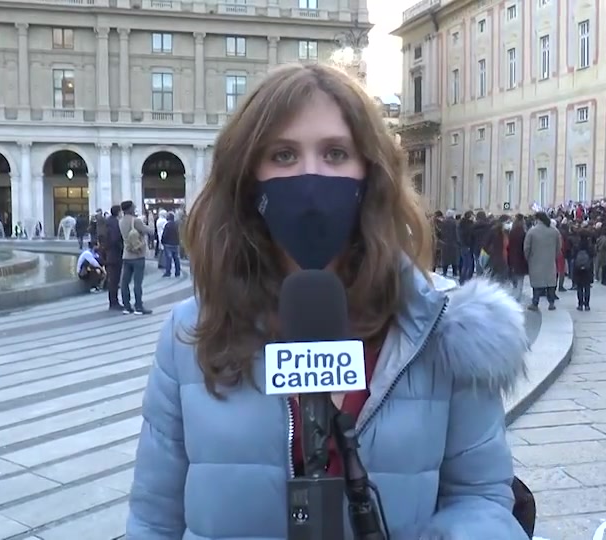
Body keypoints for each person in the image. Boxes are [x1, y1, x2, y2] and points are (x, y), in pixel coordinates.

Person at [125, 64, 530, 539]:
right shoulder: (189, 335)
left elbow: (482, 499)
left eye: (335, 153)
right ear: (249, 177)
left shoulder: (444, 330)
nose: (311, 176)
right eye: (283, 154)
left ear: (369, 174)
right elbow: (154, 519)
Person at [118, 200, 153, 315]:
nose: (135, 209)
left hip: (126, 255)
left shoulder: (121, 221)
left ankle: (127, 306)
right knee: (138, 283)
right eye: (133, 207)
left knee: (125, 283)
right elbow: (149, 231)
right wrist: (150, 221)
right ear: (129, 209)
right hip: (138, 255)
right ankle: (138, 306)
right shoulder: (136, 221)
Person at [523, 212, 561, 311]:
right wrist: (553, 256)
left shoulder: (532, 232)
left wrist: (528, 258)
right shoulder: (554, 231)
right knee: (550, 283)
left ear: (537, 219)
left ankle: (535, 303)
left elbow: (526, 248)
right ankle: (551, 303)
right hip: (550, 261)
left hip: (535, 261)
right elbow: (559, 247)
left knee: (537, 284)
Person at [572, 230, 596, 311]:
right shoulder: (590, 246)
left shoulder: (577, 246)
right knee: (587, 287)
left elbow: (573, 256)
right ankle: (587, 305)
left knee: (579, 287)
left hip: (578, 268)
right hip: (588, 268)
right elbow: (593, 254)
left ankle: (580, 304)